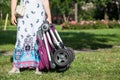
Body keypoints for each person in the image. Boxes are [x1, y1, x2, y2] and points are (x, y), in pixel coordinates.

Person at [9, 0, 52, 75]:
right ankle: (16, 66)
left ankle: (39, 65)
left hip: (39, 13)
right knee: (21, 37)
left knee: (38, 38)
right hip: (23, 14)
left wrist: (49, 16)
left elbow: (45, 0)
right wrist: (12, 14)